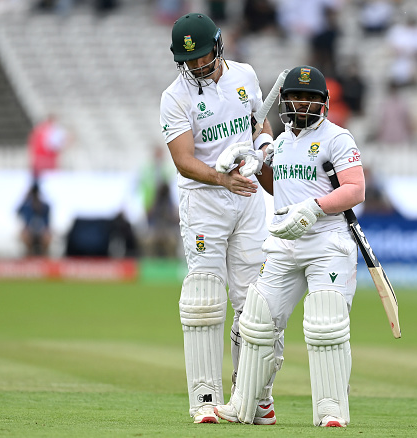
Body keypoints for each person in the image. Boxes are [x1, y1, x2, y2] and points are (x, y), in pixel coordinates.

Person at [214, 66, 365, 427]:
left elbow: (355, 188)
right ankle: (250, 405)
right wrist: (254, 164)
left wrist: (315, 208)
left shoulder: (337, 138)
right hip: (285, 241)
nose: (302, 103)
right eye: (296, 96)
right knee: (257, 321)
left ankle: (331, 410)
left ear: (323, 103)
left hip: (327, 242)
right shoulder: (281, 142)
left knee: (325, 323)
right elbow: (279, 186)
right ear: (284, 101)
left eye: (310, 98)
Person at [159, 12, 275, 424]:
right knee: (205, 299)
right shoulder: (175, 97)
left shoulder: (244, 75)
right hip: (205, 201)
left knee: (253, 300)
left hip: (247, 197)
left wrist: (265, 146)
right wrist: (222, 179)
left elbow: (259, 122)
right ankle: (205, 398)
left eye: (202, 57)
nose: (195, 66)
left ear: (219, 46)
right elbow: (183, 160)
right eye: (187, 61)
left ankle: (252, 397)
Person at [16, 181, 51, 257]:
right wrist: (25, 198)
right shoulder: (26, 206)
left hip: (41, 232)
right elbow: (17, 212)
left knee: (47, 235)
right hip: (30, 232)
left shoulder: (45, 207)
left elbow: (47, 224)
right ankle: (29, 254)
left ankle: (45, 255)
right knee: (25, 234)